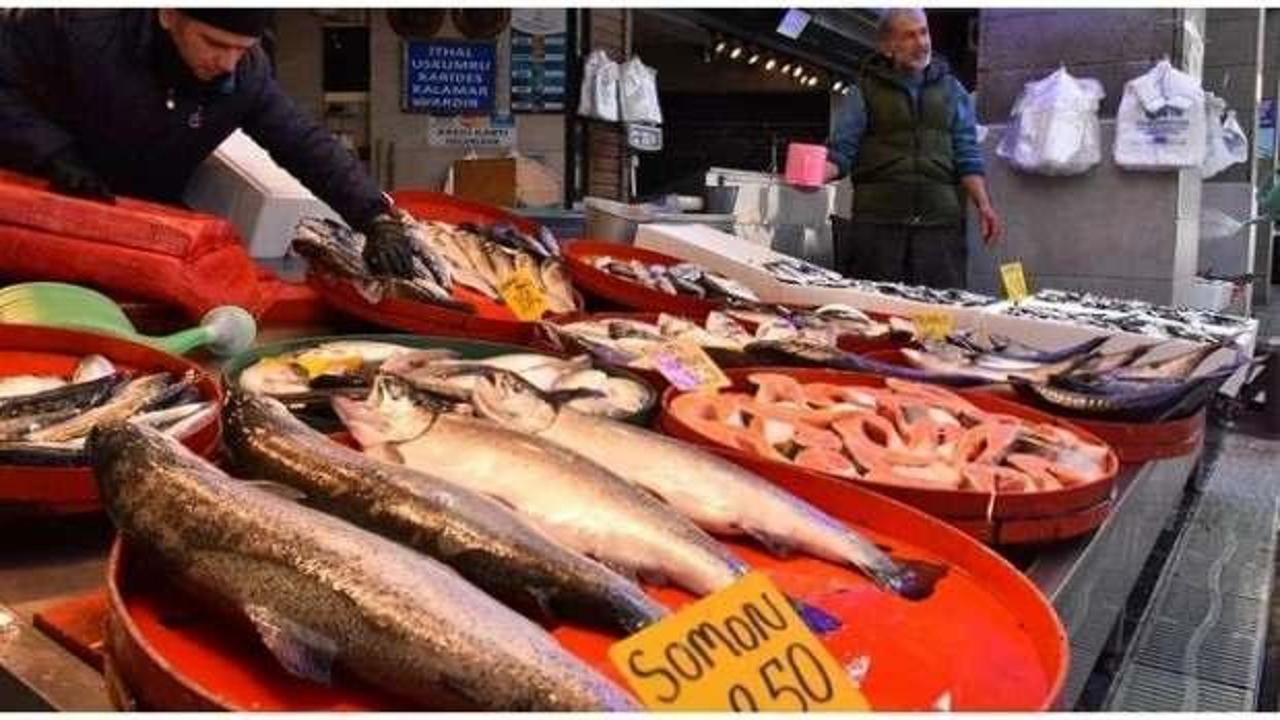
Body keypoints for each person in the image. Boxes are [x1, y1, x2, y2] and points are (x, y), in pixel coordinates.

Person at [0, 8, 416, 277]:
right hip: (34, 209)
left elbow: (304, 143)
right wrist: (53, 153)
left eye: (242, 49)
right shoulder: (80, 29)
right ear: (168, 15)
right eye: (215, 43)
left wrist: (375, 216)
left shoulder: (246, 77)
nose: (227, 63)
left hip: (134, 229)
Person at [825, 7, 1001, 289]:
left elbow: (967, 154)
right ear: (887, 46)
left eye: (924, 32)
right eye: (909, 36)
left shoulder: (953, 90)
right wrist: (813, 176)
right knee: (878, 319)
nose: (922, 43)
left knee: (939, 321)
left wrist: (984, 205)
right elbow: (841, 153)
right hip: (878, 231)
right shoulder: (864, 90)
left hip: (939, 230)